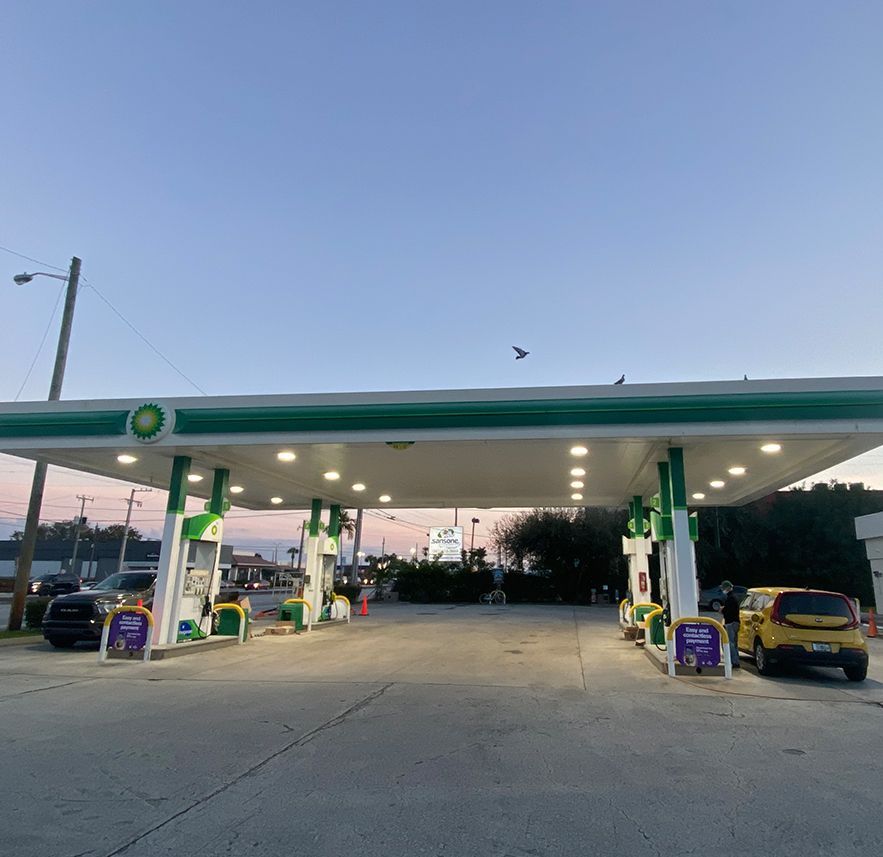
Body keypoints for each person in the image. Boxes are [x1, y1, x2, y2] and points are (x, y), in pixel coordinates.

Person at [719, 580, 741, 669]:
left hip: (731, 623)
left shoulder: (730, 598)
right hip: (735, 622)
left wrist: (722, 610)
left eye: (724, 588)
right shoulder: (733, 598)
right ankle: (735, 661)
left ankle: (734, 662)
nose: (723, 590)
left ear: (728, 588)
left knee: (730, 643)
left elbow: (729, 612)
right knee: (734, 643)